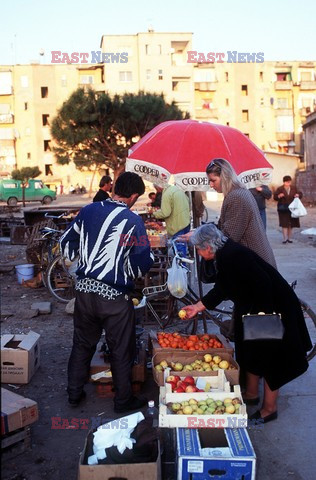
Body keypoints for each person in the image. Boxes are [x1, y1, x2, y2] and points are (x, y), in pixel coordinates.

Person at [181, 223, 311, 423]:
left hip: (273, 309)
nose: (198, 254)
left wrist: (261, 317)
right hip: (255, 308)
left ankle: (269, 409)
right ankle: (251, 395)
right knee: (249, 350)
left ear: (208, 247)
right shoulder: (225, 253)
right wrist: (199, 306)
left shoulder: (233, 255)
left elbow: (263, 284)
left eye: (198, 249)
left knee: (270, 357)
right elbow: (224, 287)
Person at [60, 172, 154, 412]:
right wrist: (129, 267)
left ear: (115, 189)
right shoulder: (133, 222)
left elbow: (67, 242)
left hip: (83, 291)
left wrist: (84, 259)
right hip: (114, 298)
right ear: (133, 196)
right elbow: (141, 263)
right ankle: (123, 401)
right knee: (121, 349)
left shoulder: (88, 210)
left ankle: (73, 394)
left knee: (82, 344)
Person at [205, 158, 276, 268]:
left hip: (255, 265)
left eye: (213, 180)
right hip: (255, 261)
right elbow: (223, 227)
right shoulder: (237, 193)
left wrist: (202, 240)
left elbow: (228, 238)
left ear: (224, 177)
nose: (211, 185)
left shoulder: (236, 197)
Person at [153, 184, 190, 256]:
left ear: (158, 187)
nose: (157, 191)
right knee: (182, 249)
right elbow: (189, 204)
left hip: (176, 226)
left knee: (179, 252)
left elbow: (165, 213)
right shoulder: (177, 189)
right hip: (185, 223)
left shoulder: (167, 194)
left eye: (156, 189)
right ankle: (182, 266)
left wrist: (154, 213)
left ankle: (180, 267)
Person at [273, 175, 303, 244]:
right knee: (284, 224)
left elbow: (300, 193)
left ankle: (289, 238)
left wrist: (298, 195)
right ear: (284, 182)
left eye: (289, 182)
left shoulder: (294, 188)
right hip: (283, 208)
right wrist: (279, 196)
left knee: (291, 224)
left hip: (293, 208)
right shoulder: (280, 189)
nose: (288, 183)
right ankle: (285, 239)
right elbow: (275, 197)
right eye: (287, 182)